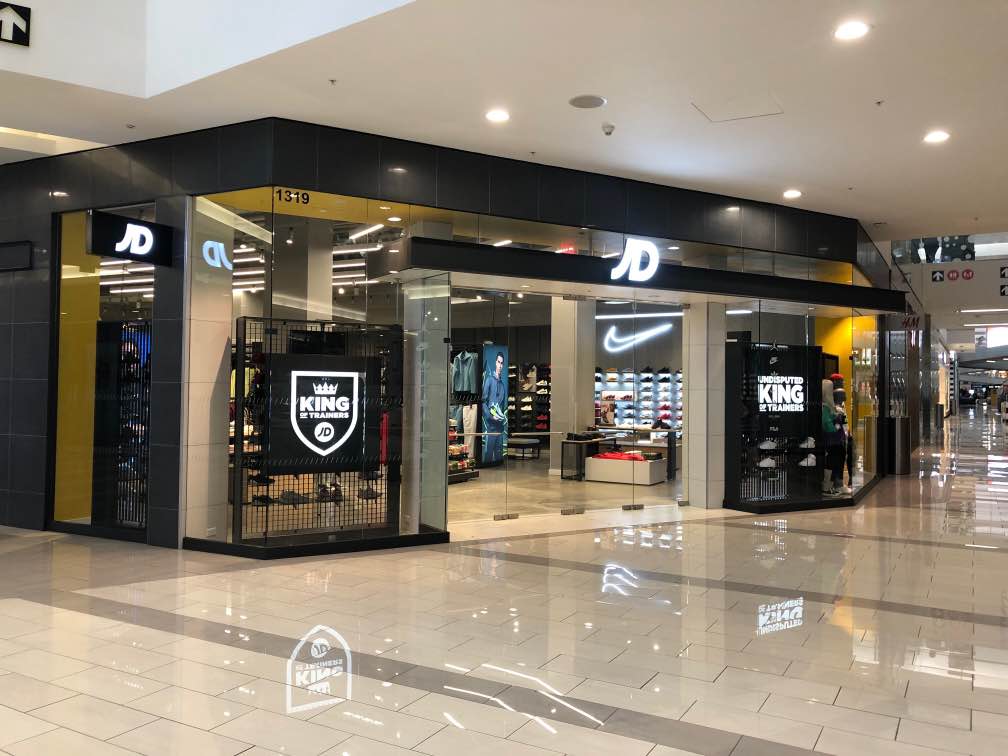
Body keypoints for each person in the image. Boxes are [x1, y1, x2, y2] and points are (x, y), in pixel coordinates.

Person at [482, 350, 508, 464]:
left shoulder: (503, 386)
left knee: (498, 458)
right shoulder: (489, 380)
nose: (500, 365)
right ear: (495, 362)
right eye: (498, 362)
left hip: (500, 429)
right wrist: (490, 416)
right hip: (490, 428)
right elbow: (483, 402)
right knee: (488, 457)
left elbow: (502, 407)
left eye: (502, 363)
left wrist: (501, 417)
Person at [822, 379, 846, 495]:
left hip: (834, 440)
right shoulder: (825, 407)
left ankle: (831, 486)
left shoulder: (828, 406)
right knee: (831, 462)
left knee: (835, 460)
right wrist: (836, 425)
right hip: (831, 440)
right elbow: (827, 424)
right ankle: (827, 487)